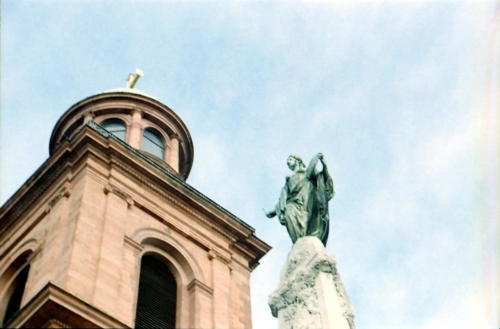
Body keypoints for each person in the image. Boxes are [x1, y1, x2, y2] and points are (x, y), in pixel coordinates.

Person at [266, 153, 334, 246]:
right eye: (287, 161)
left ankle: (304, 244)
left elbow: (323, 178)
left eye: (290, 159)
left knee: (309, 226)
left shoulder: (308, 173)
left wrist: (323, 165)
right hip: (293, 205)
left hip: (308, 204)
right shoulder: (288, 180)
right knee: (288, 211)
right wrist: (272, 212)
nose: (288, 162)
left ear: (298, 161)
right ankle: (299, 243)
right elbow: (283, 199)